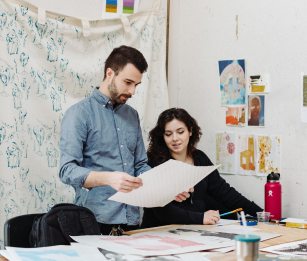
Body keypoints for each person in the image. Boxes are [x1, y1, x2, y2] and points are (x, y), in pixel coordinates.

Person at [59, 46, 191, 235]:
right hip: (92, 223)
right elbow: (66, 171)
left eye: (136, 84)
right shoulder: (79, 114)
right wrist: (109, 178)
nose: (132, 91)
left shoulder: (132, 115)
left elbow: (140, 166)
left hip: (131, 223)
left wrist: (167, 188)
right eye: (128, 82)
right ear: (110, 73)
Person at [140, 108, 263, 229]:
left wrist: (260, 213)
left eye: (180, 132)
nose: (175, 138)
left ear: (190, 131)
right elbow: (162, 212)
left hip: (192, 231)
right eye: (168, 134)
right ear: (162, 136)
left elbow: (224, 192)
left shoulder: (200, 158)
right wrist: (200, 218)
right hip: (158, 233)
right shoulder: (155, 164)